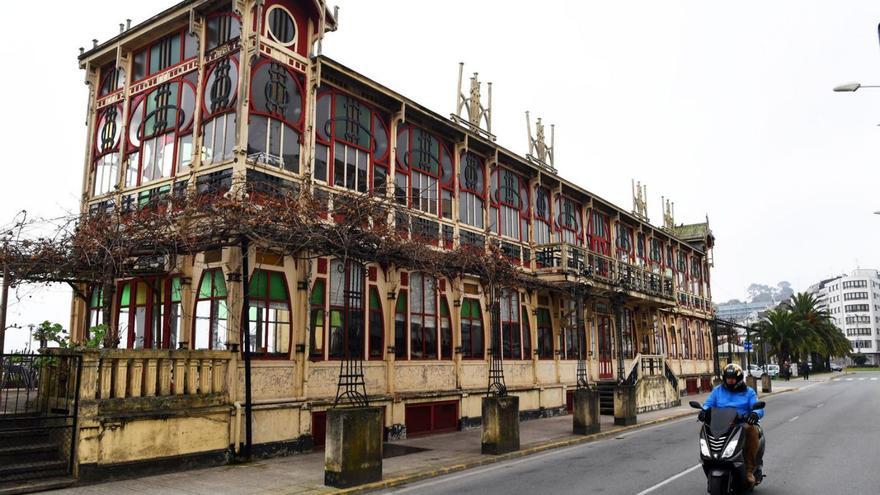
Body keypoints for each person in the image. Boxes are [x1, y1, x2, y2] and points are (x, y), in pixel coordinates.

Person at [700, 363, 764, 487]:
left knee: (751, 430)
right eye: (728, 378)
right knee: (704, 428)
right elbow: (708, 404)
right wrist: (704, 411)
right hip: (722, 423)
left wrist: (755, 414)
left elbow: (758, 408)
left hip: (741, 424)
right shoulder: (718, 391)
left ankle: (749, 470)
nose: (730, 381)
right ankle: (709, 458)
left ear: (739, 378)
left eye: (733, 378)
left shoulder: (749, 392)